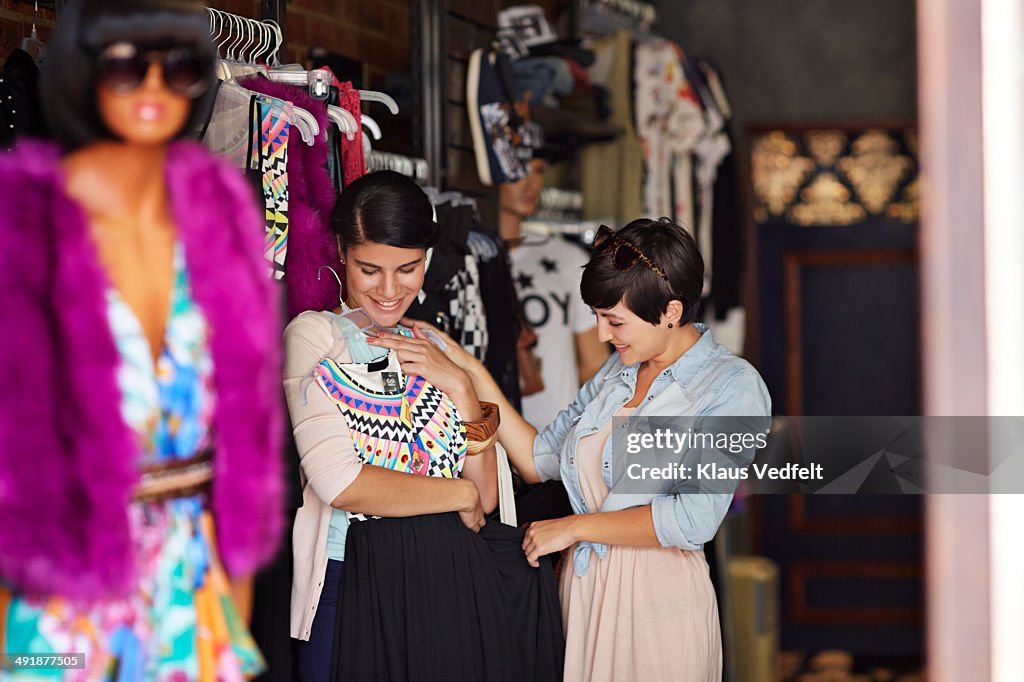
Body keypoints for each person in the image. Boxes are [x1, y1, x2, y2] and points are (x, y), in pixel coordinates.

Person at [0, 0, 283, 679]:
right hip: (59, 583)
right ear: (83, 69)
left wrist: (236, 583)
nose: (155, 87)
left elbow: (243, 429)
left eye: (178, 66)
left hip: (192, 579)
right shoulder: (26, 222)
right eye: (127, 66)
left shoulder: (219, 219)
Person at [405, 217, 771, 681]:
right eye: (597, 316)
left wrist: (574, 528)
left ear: (671, 311)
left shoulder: (733, 387)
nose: (601, 335)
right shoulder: (617, 372)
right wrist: (463, 369)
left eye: (614, 320)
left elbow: (691, 519)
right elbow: (540, 458)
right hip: (585, 591)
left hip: (659, 605)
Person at [285, 171, 562, 682]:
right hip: (349, 577)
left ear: (427, 261)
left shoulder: (432, 345)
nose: (390, 290)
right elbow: (341, 483)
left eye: (407, 269)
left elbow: (486, 497)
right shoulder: (314, 337)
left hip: (444, 577)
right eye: (370, 269)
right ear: (342, 252)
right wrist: (455, 495)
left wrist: (460, 388)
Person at [499, 156, 608, 430]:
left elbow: (594, 363)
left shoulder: (568, 258)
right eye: (518, 171)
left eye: (538, 170)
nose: (531, 182)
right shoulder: (462, 259)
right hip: (488, 436)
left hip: (557, 436)